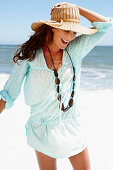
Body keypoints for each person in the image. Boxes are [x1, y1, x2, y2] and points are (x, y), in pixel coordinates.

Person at [0, 2, 113, 170]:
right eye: (66, 30)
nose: (70, 36)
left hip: (71, 127)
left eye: (74, 32)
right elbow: (9, 93)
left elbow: (105, 25)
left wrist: (75, 8)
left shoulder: (75, 49)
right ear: (53, 27)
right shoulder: (30, 55)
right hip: (42, 130)